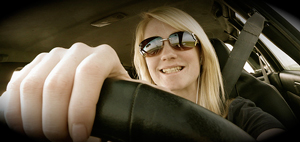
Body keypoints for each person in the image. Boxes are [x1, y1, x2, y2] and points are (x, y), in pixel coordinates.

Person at [0, 6, 285, 141]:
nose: (168, 53)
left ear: (201, 53)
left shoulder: (240, 112)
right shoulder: (120, 123)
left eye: (182, 39)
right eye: (150, 46)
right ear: (143, 60)